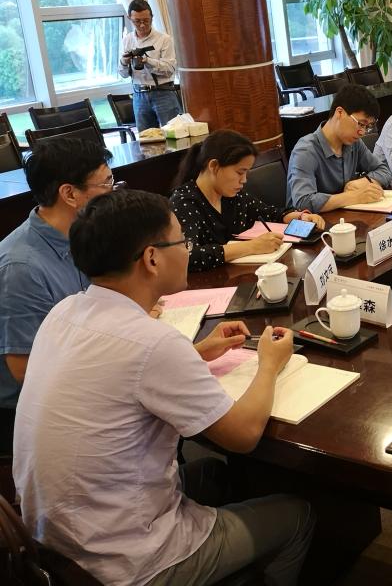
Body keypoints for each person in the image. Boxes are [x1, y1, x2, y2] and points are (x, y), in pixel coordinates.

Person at [13, 190, 313, 586]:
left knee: (215, 474)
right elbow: (243, 435)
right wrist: (269, 365)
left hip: (55, 548)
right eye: (182, 241)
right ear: (152, 259)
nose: (188, 250)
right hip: (126, 563)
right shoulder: (152, 342)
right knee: (297, 515)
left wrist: (197, 353)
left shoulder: (64, 312)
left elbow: (123, 375)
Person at [0, 138, 116, 452]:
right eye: (106, 183)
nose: (113, 191)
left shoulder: (82, 233)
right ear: (70, 194)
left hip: (84, 370)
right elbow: (25, 371)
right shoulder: (21, 267)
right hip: (31, 411)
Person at [171, 130, 326, 272]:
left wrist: (300, 217)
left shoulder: (232, 196)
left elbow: (269, 213)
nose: (244, 180)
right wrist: (251, 246)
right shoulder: (184, 203)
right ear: (214, 166)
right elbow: (187, 256)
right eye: (240, 172)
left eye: (246, 173)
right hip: (208, 286)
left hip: (242, 275)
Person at [287, 83, 392, 213]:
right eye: (360, 124)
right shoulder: (306, 150)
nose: (362, 132)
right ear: (340, 113)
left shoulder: (354, 143)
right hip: (310, 223)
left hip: (344, 216)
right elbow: (303, 202)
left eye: (367, 127)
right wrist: (353, 196)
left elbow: (384, 170)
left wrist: (364, 182)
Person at [117, 0, 181, 130]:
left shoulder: (164, 39)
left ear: (152, 17)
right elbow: (123, 74)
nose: (142, 25)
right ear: (129, 18)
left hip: (163, 93)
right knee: (146, 138)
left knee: (173, 135)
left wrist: (147, 61)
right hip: (138, 94)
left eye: (146, 20)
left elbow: (170, 69)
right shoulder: (127, 40)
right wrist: (124, 62)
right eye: (137, 21)